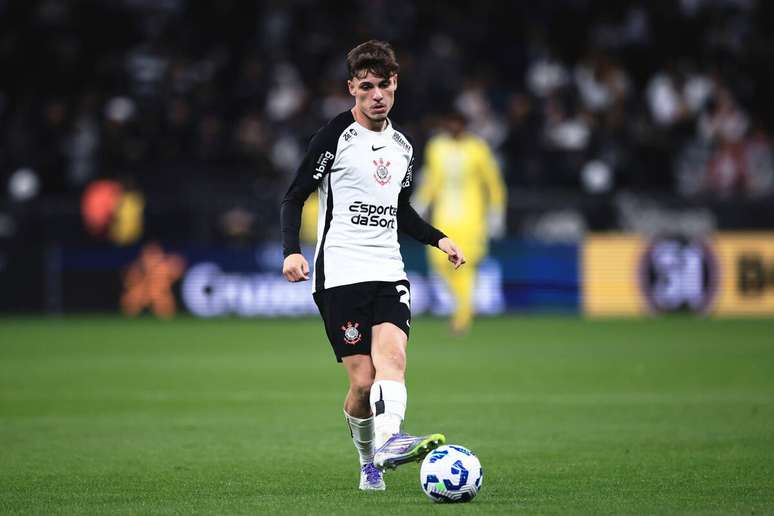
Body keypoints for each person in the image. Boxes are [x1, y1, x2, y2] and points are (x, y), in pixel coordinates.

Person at [280, 40, 465, 491]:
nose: (376, 94)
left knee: (393, 358)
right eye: (366, 87)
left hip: (388, 268)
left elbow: (400, 210)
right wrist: (291, 250)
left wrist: (439, 239)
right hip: (341, 271)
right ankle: (369, 462)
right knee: (362, 382)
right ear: (352, 89)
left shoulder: (403, 147)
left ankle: (389, 439)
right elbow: (294, 195)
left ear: (395, 83)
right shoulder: (334, 137)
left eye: (383, 85)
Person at [415, 111, 507, 334]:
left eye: (458, 123)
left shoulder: (477, 148)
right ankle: (464, 305)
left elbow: (493, 182)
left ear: (464, 125)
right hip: (443, 216)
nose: (454, 127)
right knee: (439, 262)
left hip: (471, 218)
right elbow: (432, 179)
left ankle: (463, 315)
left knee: (464, 265)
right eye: (450, 123)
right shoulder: (436, 147)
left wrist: (496, 212)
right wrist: (420, 202)